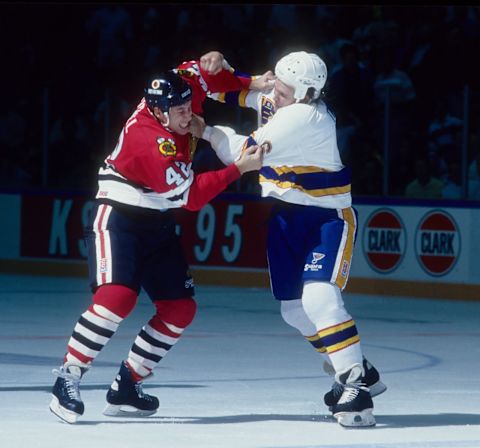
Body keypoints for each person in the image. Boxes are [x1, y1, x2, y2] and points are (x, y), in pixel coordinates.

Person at [49, 51, 266, 424]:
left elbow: (204, 72)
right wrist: (238, 169)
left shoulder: (182, 86)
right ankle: (67, 377)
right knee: (116, 298)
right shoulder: (151, 141)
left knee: (180, 308)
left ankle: (127, 385)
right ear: (159, 113)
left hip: (156, 217)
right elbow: (193, 197)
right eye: (179, 111)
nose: (189, 114)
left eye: (188, 105)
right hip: (119, 215)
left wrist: (242, 76)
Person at [191, 51, 386, 427]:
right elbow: (237, 94)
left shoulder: (304, 117)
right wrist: (215, 69)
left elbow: (244, 153)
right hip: (286, 216)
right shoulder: (287, 99)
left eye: (281, 90)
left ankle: (355, 386)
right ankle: (358, 367)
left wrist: (207, 132)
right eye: (275, 86)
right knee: (294, 310)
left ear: (305, 94)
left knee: (319, 297)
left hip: (325, 218)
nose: (272, 94)